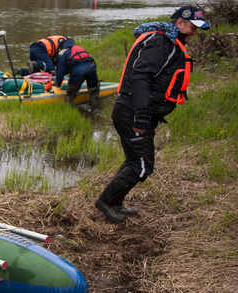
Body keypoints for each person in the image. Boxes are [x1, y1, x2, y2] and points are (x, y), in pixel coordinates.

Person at [95, 5, 210, 223]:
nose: (195, 33)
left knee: (135, 161)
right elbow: (139, 78)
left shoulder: (170, 42)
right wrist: (141, 116)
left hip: (138, 111)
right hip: (133, 112)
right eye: (193, 27)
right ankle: (106, 201)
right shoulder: (160, 42)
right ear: (179, 22)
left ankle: (115, 201)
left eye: (197, 28)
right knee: (142, 166)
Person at [52, 38, 101, 113]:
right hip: (91, 68)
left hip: (78, 72)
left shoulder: (62, 53)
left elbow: (60, 71)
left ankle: (66, 112)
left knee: (70, 94)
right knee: (94, 91)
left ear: (60, 48)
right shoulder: (78, 48)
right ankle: (95, 112)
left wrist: (57, 83)